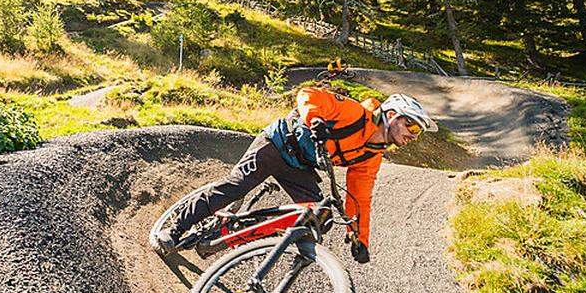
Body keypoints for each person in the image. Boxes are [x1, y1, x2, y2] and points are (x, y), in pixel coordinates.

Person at [152, 87, 437, 263]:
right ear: (392, 116)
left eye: (418, 133)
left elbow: (360, 197)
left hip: (299, 167)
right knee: (234, 187)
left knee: (318, 217)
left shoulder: (371, 155)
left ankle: (233, 233)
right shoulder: (353, 113)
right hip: (277, 144)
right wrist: (316, 120)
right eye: (411, 128)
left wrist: (359, 238)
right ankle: (174, 229)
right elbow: (309, 94)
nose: (413, 136)